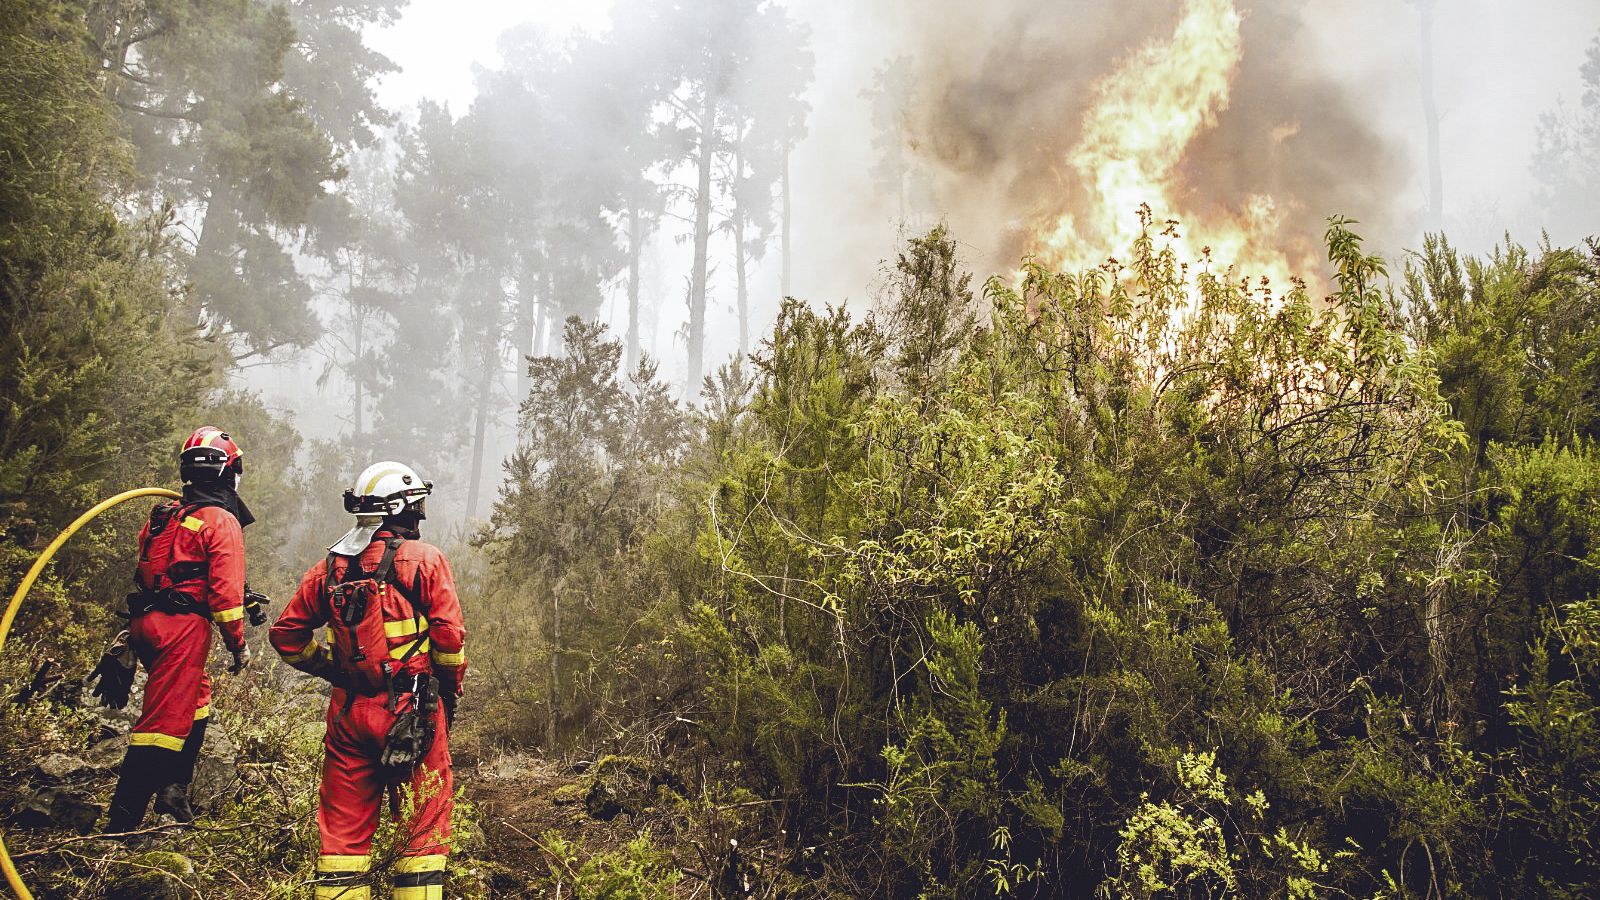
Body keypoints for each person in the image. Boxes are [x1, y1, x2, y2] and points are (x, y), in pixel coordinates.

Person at [271, 461, 467, 900]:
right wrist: (448, 690)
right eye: (415, 507)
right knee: (422, 827)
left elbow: (286, 636)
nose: (418, 516)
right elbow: (449, 639)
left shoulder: (330, 567)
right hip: (412, 711)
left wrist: (332, 669)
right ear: (399, 509)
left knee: (342, 836)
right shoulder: (424, 560)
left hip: (348, 715)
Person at [105, 426, 257, 832]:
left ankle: (174, 790)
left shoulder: (165, 515)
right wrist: (238, 646)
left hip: (146, 625)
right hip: (180, 631)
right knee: (162, 724)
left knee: (196, 697)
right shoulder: (220, 520)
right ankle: (119, 825)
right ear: (227, 471)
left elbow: (152, 570)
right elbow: (226, 598)